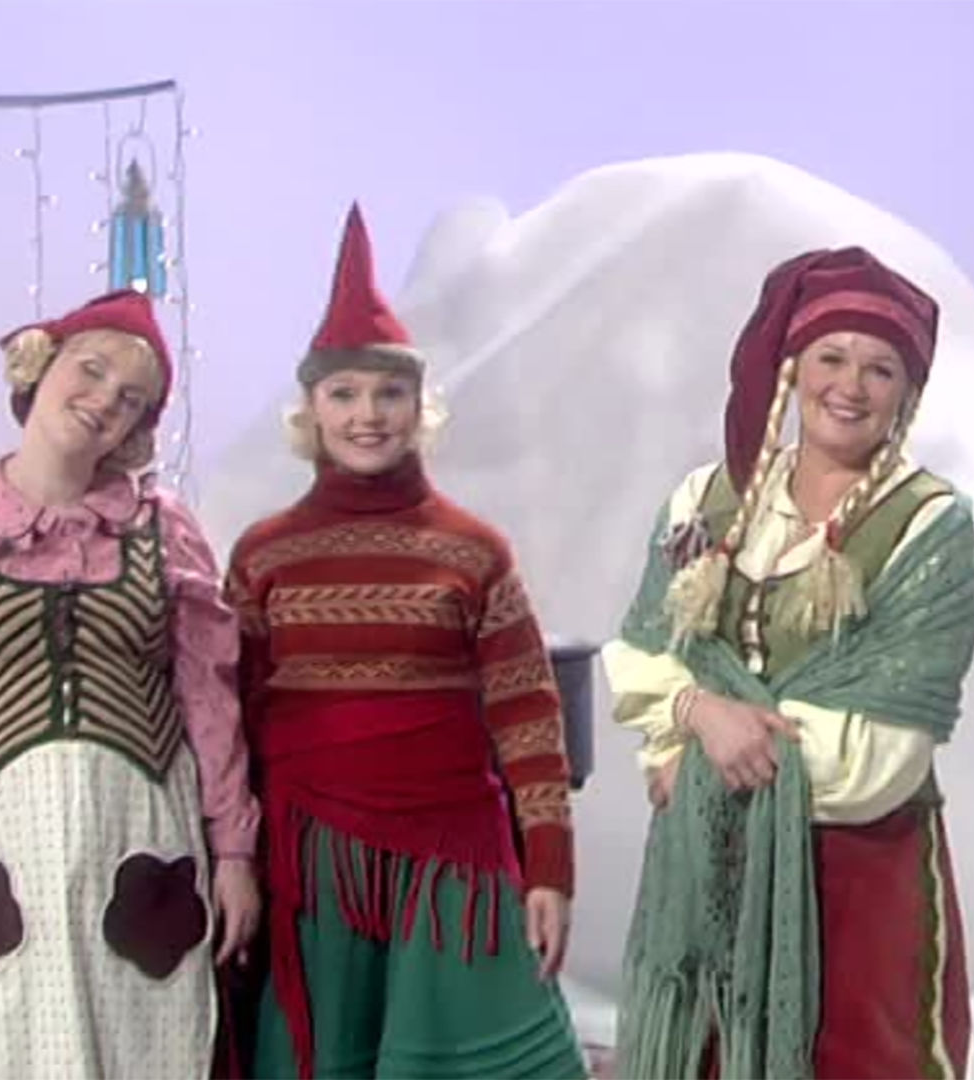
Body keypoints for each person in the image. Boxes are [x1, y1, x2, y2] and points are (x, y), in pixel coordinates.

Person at [0, 288, 262, 1078]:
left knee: (144, 1044)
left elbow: (210, 702)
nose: (104, 400)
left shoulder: (163, 528)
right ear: (40, 366)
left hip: (139, 845)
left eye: (129, 397)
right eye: (91, 370)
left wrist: (234, 852)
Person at [605, 246, 974, 1078]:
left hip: (857, 869)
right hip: (712, 863)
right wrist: (696, 714)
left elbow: (881, 748)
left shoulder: (930, 526)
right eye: (832, 358)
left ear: (907, 393)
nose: (851, 386)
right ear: (793, 370)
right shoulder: (707, 501)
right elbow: (646, 651)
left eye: (880, 368)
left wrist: (703, 756)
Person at [224, 205, 586, 1080]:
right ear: (311, 410)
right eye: (344, 394)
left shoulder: (473, 549)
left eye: (389, 394)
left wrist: (548, 868)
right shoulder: (264, 555)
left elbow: (529, 717)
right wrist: (234, 858)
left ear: (420, 408)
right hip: (313, 864)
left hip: (452, 855)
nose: (368, 414)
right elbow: (232, 724)